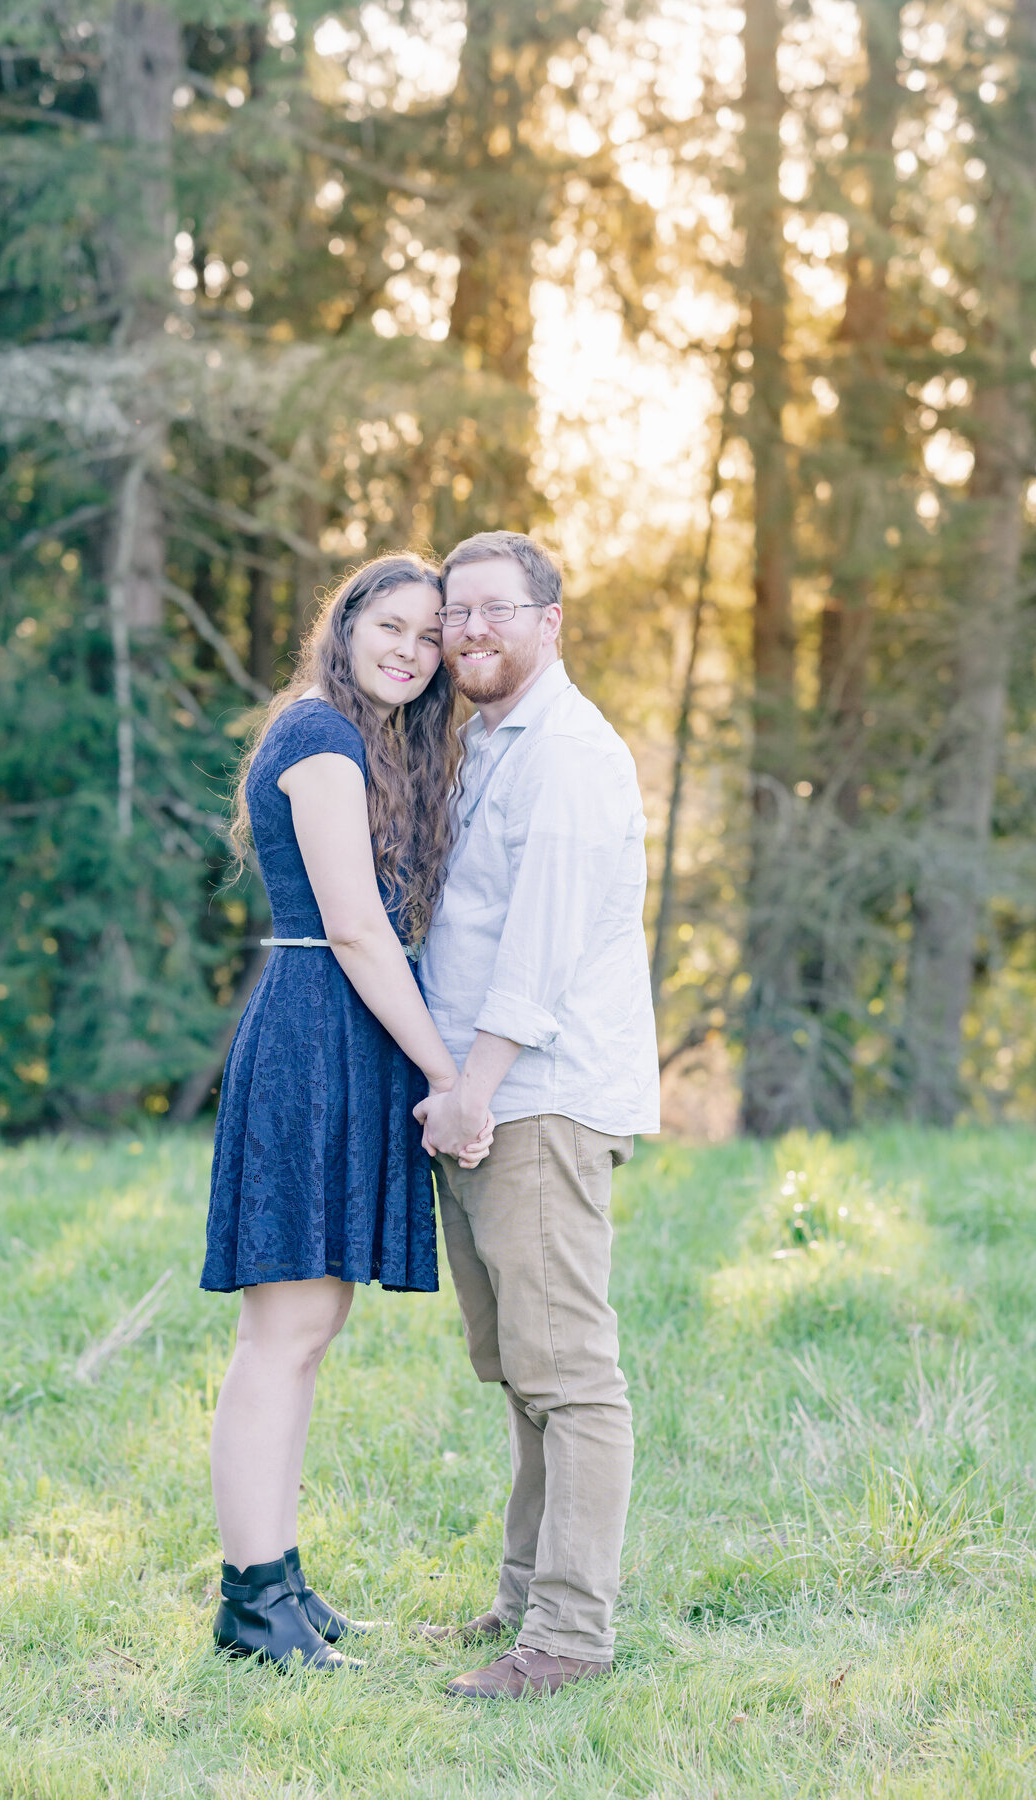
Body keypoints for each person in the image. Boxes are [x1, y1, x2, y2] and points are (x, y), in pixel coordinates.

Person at [202, 553, 493, 1671]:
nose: (412, 651)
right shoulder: (320, 738)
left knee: (309, 1326)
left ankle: (277, 1579)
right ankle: (248, 1603)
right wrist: (445, 1076)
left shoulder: (347, 735)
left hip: (339, 1034)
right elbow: (361, 929)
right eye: (393, 624)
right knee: (280, 1331)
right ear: (348, 620)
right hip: (314, 1038)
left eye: (431, 637)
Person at [414, 530, 659, 1699]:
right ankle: (521, 1601)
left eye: (496, 611)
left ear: (550, 621)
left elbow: (542, 951)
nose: (471, 631)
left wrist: (476, 1090)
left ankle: (567, 1640)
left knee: (571, 1379)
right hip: (487, 1099)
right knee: (525, 1375)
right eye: (457, 612)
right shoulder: (488, 745)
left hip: (537, 1099)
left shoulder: (569, 753)